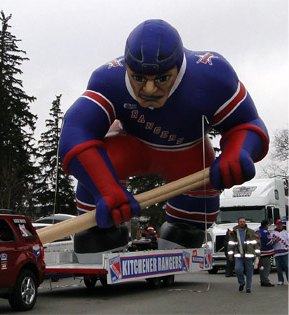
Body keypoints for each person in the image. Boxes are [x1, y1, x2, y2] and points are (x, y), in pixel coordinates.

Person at [58, 19, 269, 258]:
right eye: (138, 78)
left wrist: (239, 152)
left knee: (192, 219)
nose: (148, 89)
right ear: (127, 67)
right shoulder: (108, 79)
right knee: (102, 167)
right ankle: (99, 228)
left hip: (187, 153)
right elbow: (75, 131)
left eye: (161, 79)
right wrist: (104, 188)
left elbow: (247, 123)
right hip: (131, 145)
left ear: (179, 67)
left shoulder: (212, 74)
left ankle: (183, 225)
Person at [227, 217, 260, 293]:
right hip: (238, 255)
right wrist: (230, 255)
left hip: (249, 255)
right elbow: (230, 244)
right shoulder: (234, 232)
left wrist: (258, 253)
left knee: (249, 271)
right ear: (238, 223)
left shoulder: (251, 232)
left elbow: (256, 243)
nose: (242, 223)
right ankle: (242, 283)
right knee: (238, 269)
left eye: (243, 221)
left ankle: (248, 287)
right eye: (241, 221)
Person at [256, 220, 275, 287]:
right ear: (266, 225)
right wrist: (274, 240)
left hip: (259, 252)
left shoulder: (257, 231)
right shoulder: (265, 232)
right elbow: (269, 243)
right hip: (266, 252)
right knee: (267, 267)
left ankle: (262, 281)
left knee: (261, 268)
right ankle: (265, 281)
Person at [271, 219, 288, 285]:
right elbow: (270, 242)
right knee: (278, 267)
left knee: (287, 266)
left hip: (285, 252)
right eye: (278, 224)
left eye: (281, 224)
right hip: (277, 253)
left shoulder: (286, 232)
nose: (280, 226)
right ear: (276, 225)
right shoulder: (273, 233)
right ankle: (280, 280)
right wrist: (275, 241)